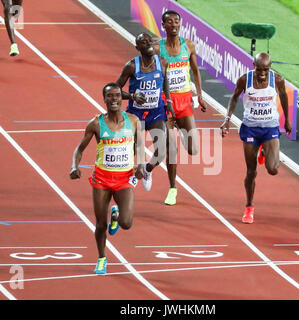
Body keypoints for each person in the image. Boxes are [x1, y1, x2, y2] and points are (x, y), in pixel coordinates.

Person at [70, 83, 144, 274]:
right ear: (104, 99)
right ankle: (102, 258)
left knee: (126, 223)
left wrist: (141, 165)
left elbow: (140, 147)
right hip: (102, 179)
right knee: (101, 224)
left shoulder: (134, 121)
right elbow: (79, 149)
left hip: (124, 178)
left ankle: (117, 215)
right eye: (110, 96)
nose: (114, 100)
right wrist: (74, 167)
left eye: (117, 95)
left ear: (122, 98)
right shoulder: (95, 123)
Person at [221, 52, 292, 224]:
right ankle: (249, 206)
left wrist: (287, 120)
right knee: (251, 171)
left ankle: (265, 151)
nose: (261, 73)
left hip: (270, 128)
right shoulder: (245, 79)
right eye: (258, 69)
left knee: (273, 169)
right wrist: (227, 119)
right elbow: (234, 98)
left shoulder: (278, 80)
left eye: (265, 70)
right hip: (251, 129)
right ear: (253, 65)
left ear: (270, 68)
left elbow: (283, 96)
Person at [153, 10, 207, 205]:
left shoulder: (189, 46)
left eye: (177, 21)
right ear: (163, 25)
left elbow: (195, 70)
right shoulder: (157, 48)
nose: (174, 24)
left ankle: (180, 130)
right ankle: (172, 188)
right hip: (165, 103)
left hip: (184, 102)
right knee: (171, 148)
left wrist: (199, 95)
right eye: (170, 22)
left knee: (192, 149)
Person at [116, 32, 175, 192]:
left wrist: (168, 101)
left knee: (162, 150)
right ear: (137, 47)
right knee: (131, 149)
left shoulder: (162, 62)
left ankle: (147, 170)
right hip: (135, 113)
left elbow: (165, 82)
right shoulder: (131, 66)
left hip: (156, 111)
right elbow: (116, 90)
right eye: (143, 42)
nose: (148, 43)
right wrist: (132, 96)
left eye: (149, 40)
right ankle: (122, 179)